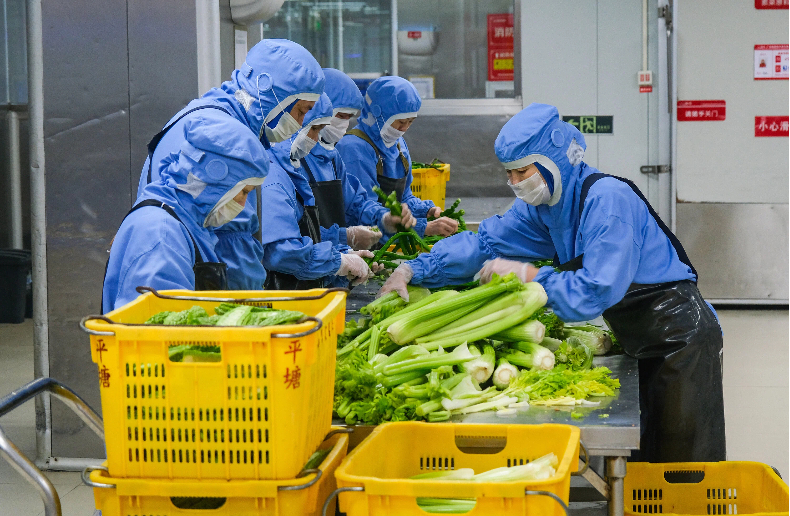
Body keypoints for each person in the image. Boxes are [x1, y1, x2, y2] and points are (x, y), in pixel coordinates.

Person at [378, 103, 726, 463]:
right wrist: (416, 269)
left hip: (680, 339)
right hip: (640, 334)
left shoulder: (608, 200)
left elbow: (596, 290)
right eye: (509, 173)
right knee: (647, 452)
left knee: (680, 462)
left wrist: (530, 277)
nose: (515, 183)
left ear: (552, 159)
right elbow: (485, 245)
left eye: (522, 171)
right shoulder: (547, 208)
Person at [137, 39, 324, 290]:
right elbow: (234, 247)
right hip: (186, 281)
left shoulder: (205, 113)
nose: (300, 123)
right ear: (273, 93)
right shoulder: (225, 137)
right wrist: (252, 307)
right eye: (301, 111)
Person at [103, 114, 268, 312]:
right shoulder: (161, 233)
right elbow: (163, 328)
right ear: (216, 178)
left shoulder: (186, 221)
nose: (242, 205)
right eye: (243, 192)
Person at [273, 67, 416, 252]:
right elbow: (289, 236)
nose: (345, 125)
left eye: (349, 117)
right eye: (340, 116)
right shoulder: (290, 160)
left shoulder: (332, 157)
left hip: (329, 265)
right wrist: (344, 237)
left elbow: (356, 203)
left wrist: (383, 218)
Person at [261, 94, 387, 290]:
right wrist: (338, 261)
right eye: (313, 128)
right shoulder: (273, 175)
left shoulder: (291, 167)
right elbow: (281, 251)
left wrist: (342, 253)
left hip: (306, 286)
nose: (314, 138)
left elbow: (304, 232)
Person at [336, 76, 458, 239]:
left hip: (394, 238)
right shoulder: (353, 148)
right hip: (364, 243)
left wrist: (426, 211)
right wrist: (422, 227)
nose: (404, 128)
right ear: (379, 114)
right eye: (400, 121)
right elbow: (361, 210)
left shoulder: (398, 144)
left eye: (410, 122)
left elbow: (405, 197)